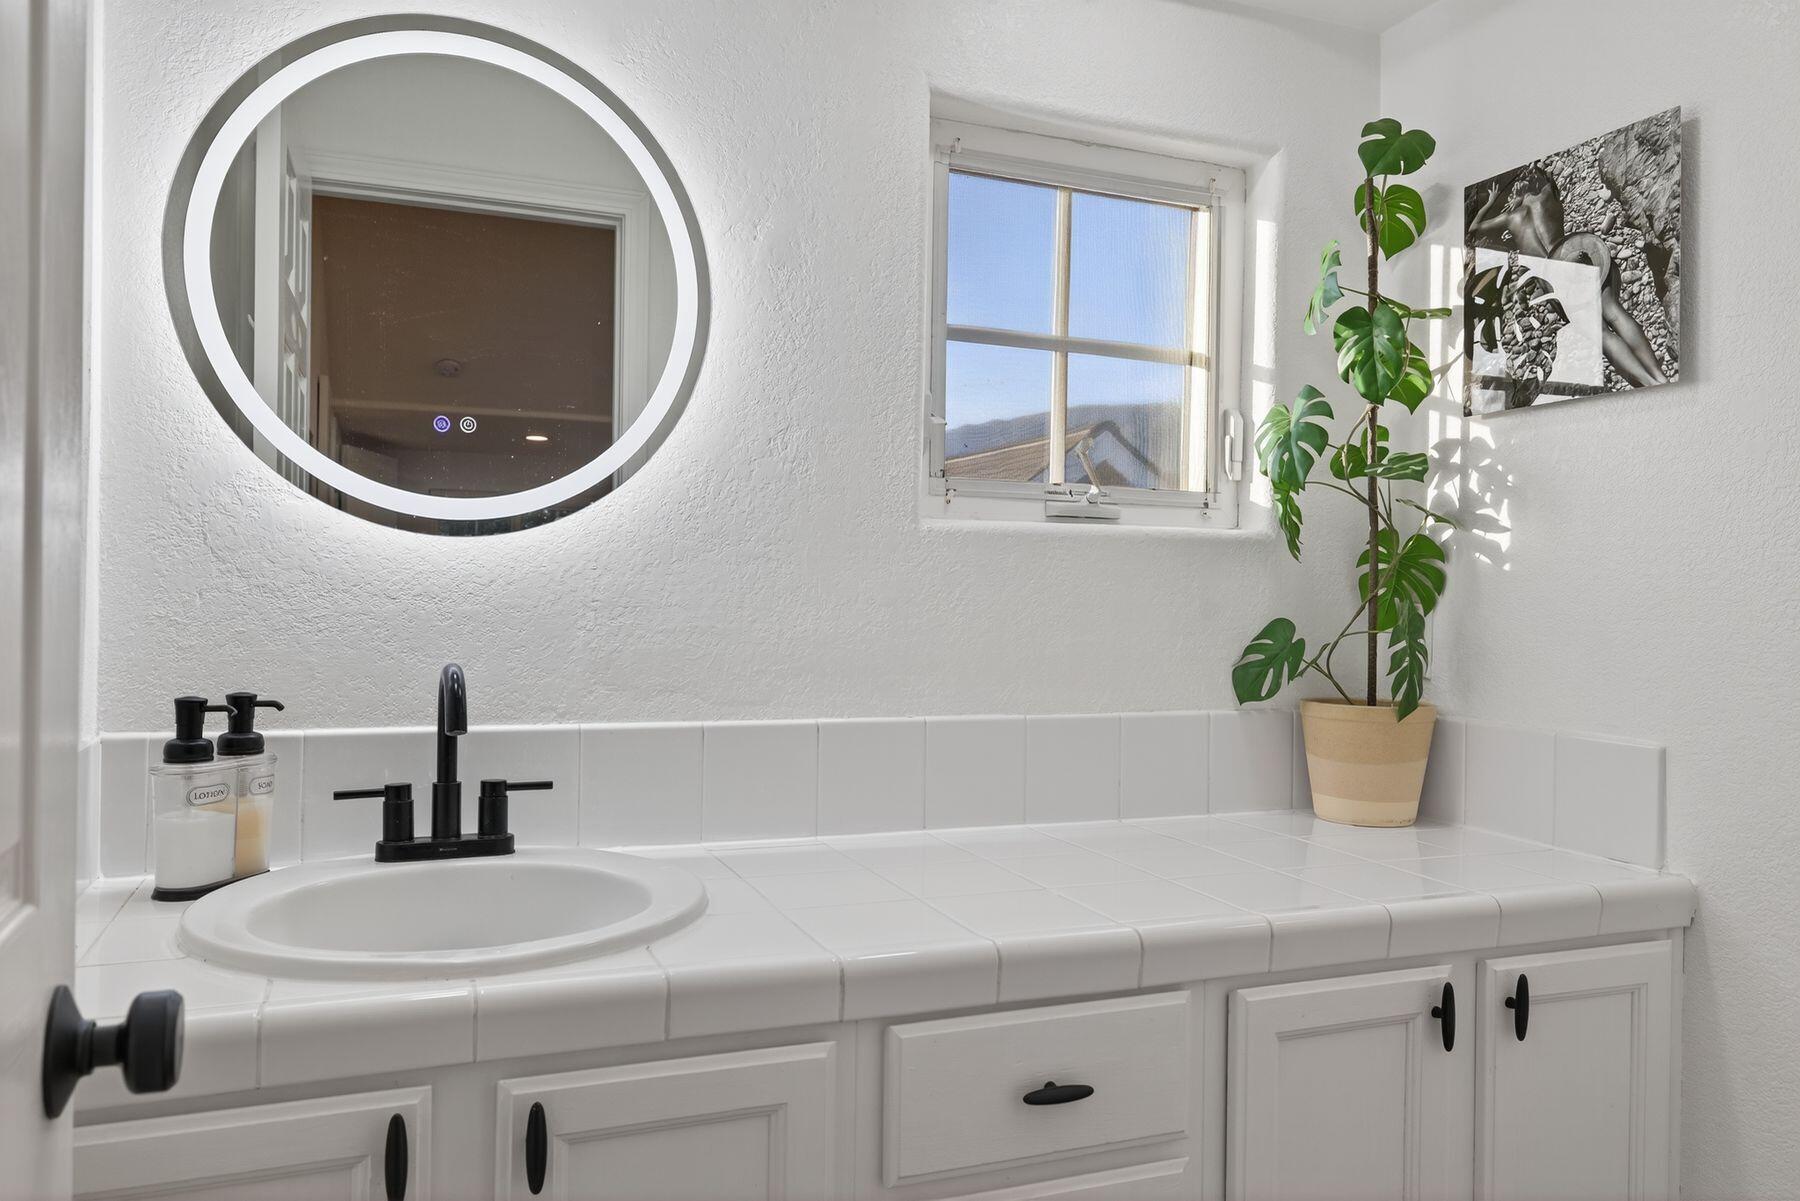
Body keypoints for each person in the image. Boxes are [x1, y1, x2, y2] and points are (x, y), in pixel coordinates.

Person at [1468, 167, 1667, 388]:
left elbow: (1474, 229)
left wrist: (1492, 201)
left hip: (1555, 277)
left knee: (1602, 335)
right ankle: (1660, 377)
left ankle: (1649, 383)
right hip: (1575, 253)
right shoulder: (1549, 195)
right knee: (1617, 315)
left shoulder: (1511, 217)